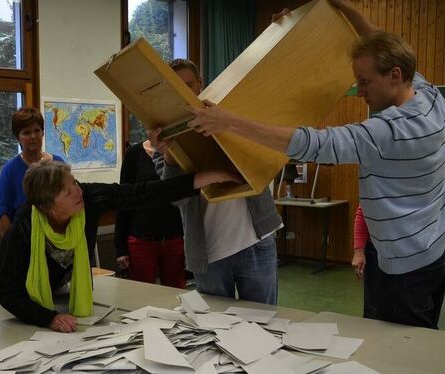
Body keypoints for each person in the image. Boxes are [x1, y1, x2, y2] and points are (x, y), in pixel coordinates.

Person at [186, 0, 445, 328]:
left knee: (396, 347)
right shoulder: (428, 94)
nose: (359, 89)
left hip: (403, 265)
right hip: (431, 249)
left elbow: (316, 144)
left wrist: (229, 122)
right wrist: (338, 6)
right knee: (422, 340)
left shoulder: (391, 130)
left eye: (364, 81)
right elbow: (379, 37)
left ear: (394, 75)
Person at [0, 160, 240, 332]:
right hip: (33, 299)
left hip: (65, 293)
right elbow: (8, 293)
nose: (77, 191)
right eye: (67, 191)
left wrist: (212, 176)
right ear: (49, 207)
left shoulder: (88, 198)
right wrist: (49, 318)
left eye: (75, 182)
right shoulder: (24, 228)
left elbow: (143, 193)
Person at [150, 58, 283, 305]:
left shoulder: (229, 114)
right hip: (208, 251)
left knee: (264, 324)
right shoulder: (162, 137)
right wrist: (170, 150)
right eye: (176, 87)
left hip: (256, 240)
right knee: (215, 328)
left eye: (189, 85)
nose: (184, 93)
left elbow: (265, 159)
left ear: (200, 84)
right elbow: (175, 196)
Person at [114, 140, 186, 288]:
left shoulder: (180, 150)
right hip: (141, 238)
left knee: (176, 296)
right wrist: (120, 247)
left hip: (175, 237)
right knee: (142, 295)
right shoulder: (135, 153)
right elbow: (123, 199)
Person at [0, 108, 64, 238]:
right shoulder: (10, 170)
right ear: (18, 138)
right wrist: (11, 246)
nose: (33, 136)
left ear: (43, 133)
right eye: (26, 133)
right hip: (25, 241)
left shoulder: (58, 164)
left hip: (58, 238)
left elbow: (69, 200)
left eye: (37, 130)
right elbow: (3, 212)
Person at [353, 206, 380, 319]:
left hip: (405, 251)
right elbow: (363, 212)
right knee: (373, 306)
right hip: (374, 248)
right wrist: (359, 251)